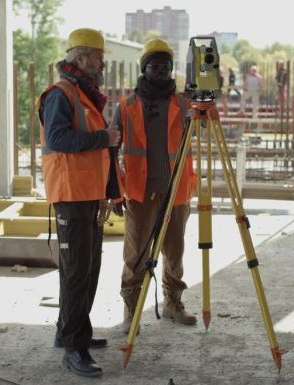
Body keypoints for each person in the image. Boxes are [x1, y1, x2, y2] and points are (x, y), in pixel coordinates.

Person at [38, 27, 122, 378]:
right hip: (71, 195)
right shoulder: (61, 94)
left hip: (87, 194)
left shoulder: (84, 95)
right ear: (82, 58)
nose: (103, 63)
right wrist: (104, 136)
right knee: (77, 273)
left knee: (86, 270)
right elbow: (59, 139)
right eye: (99, 57)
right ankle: (75, 347)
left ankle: (70, 331)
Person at [111, 38, 198, 335]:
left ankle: (173, 302)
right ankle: (131, 308)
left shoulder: (185, 103)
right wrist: (114, 193)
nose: (161, 70)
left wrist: (203, 112)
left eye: (166, 66)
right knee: (135, 254)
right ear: (144, 69)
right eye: (155, 66)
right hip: (140, 192)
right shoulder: (125, 107)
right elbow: (111, 153)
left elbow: (209, 127)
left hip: (177, 191)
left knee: (174, 252)